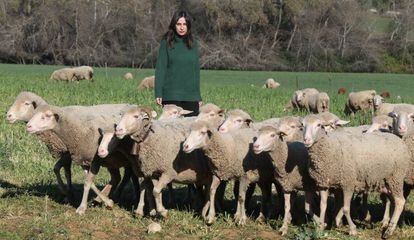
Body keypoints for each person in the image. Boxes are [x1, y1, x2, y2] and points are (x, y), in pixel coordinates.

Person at [154, 11, 202, 117]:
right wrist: (158, 92)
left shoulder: (193, 43)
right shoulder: (166, 42)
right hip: (171, 95)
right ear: (174, 25)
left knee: (191, 130)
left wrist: (198, 96)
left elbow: (195, 71)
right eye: (179, 24)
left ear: (188, 25)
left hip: (190, 96)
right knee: (170, 130)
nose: (182, 27)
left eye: (184, 24)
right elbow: (161, 68)